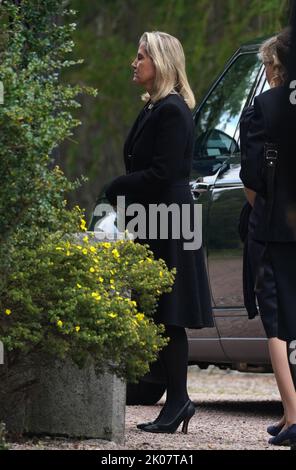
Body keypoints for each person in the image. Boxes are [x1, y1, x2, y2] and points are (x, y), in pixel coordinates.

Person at [105, 31, 213, 434]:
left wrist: (118, 186)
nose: (134, 63)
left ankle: (179, 402)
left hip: (170, 218)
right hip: (155, 217)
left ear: (160, 62)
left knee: (171, 313)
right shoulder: (154, 108)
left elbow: (163, 173)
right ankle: (176, 401)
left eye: (140, 57)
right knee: (160, 312)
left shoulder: (172, 110)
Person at [240, 28, 296, 447]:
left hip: (276, 226)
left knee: (276, 319)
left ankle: (294, 415)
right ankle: (287, 412)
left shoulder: (263, 106)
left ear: (275, 65)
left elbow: (252, 179)